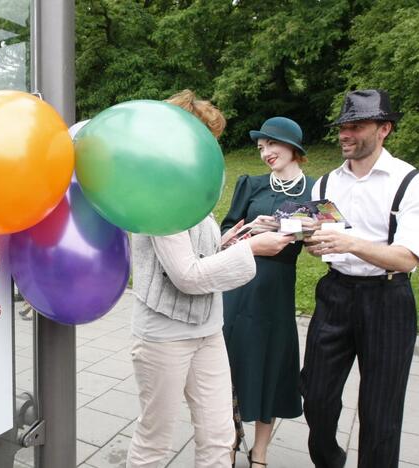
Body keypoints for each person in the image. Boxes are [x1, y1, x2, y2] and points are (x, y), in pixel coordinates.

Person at [126, 90, 296, 468]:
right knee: (155, 440)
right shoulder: (156, 192)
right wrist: (251, 250)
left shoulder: (189, 190)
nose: (211, 153)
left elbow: (198, 256)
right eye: (207, 141)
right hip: (164, 336)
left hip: (207, 329)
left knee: (220, 438)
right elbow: (186, 275)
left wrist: (238, 236)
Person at [301, 89, 419, 468]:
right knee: (315, 397)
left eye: (356, 126)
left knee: (380, 414)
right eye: (342, 127)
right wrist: (317, 244)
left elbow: (408, 257)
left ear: (384, 129)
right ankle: (330, 460)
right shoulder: (326, 183)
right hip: (335, 293)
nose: (345, 134)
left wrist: (350, 242)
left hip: (388, 298)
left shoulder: (413, 182)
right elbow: (320, 237)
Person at [220, 117, 313, 466]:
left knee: (270, 365)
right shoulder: (251, 184)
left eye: (272, 145)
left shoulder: (314, 190)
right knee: (230, 363)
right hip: (239, 284)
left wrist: (294, 228)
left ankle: (260, 449)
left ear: (293, 147)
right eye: (261, 148)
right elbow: (227, 231)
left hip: (276, 289)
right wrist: (252, 231)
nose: (266, 153)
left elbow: (321, 232)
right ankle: (229, 440)